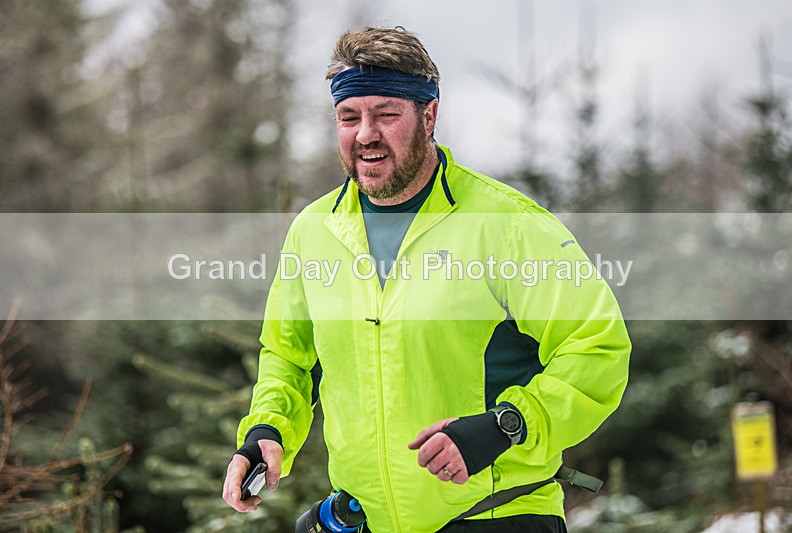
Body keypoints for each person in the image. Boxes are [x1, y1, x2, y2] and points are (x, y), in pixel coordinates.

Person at [222, 26, 631, 532]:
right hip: (366, 522)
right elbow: (288, 357)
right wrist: (268, 429)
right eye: (349, 117)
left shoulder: (508, 226)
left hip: (495, 517)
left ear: (429, 114)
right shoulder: (314, 231)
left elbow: (598, 348)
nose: (365, 134)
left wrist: (506, 425)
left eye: (386, 114)